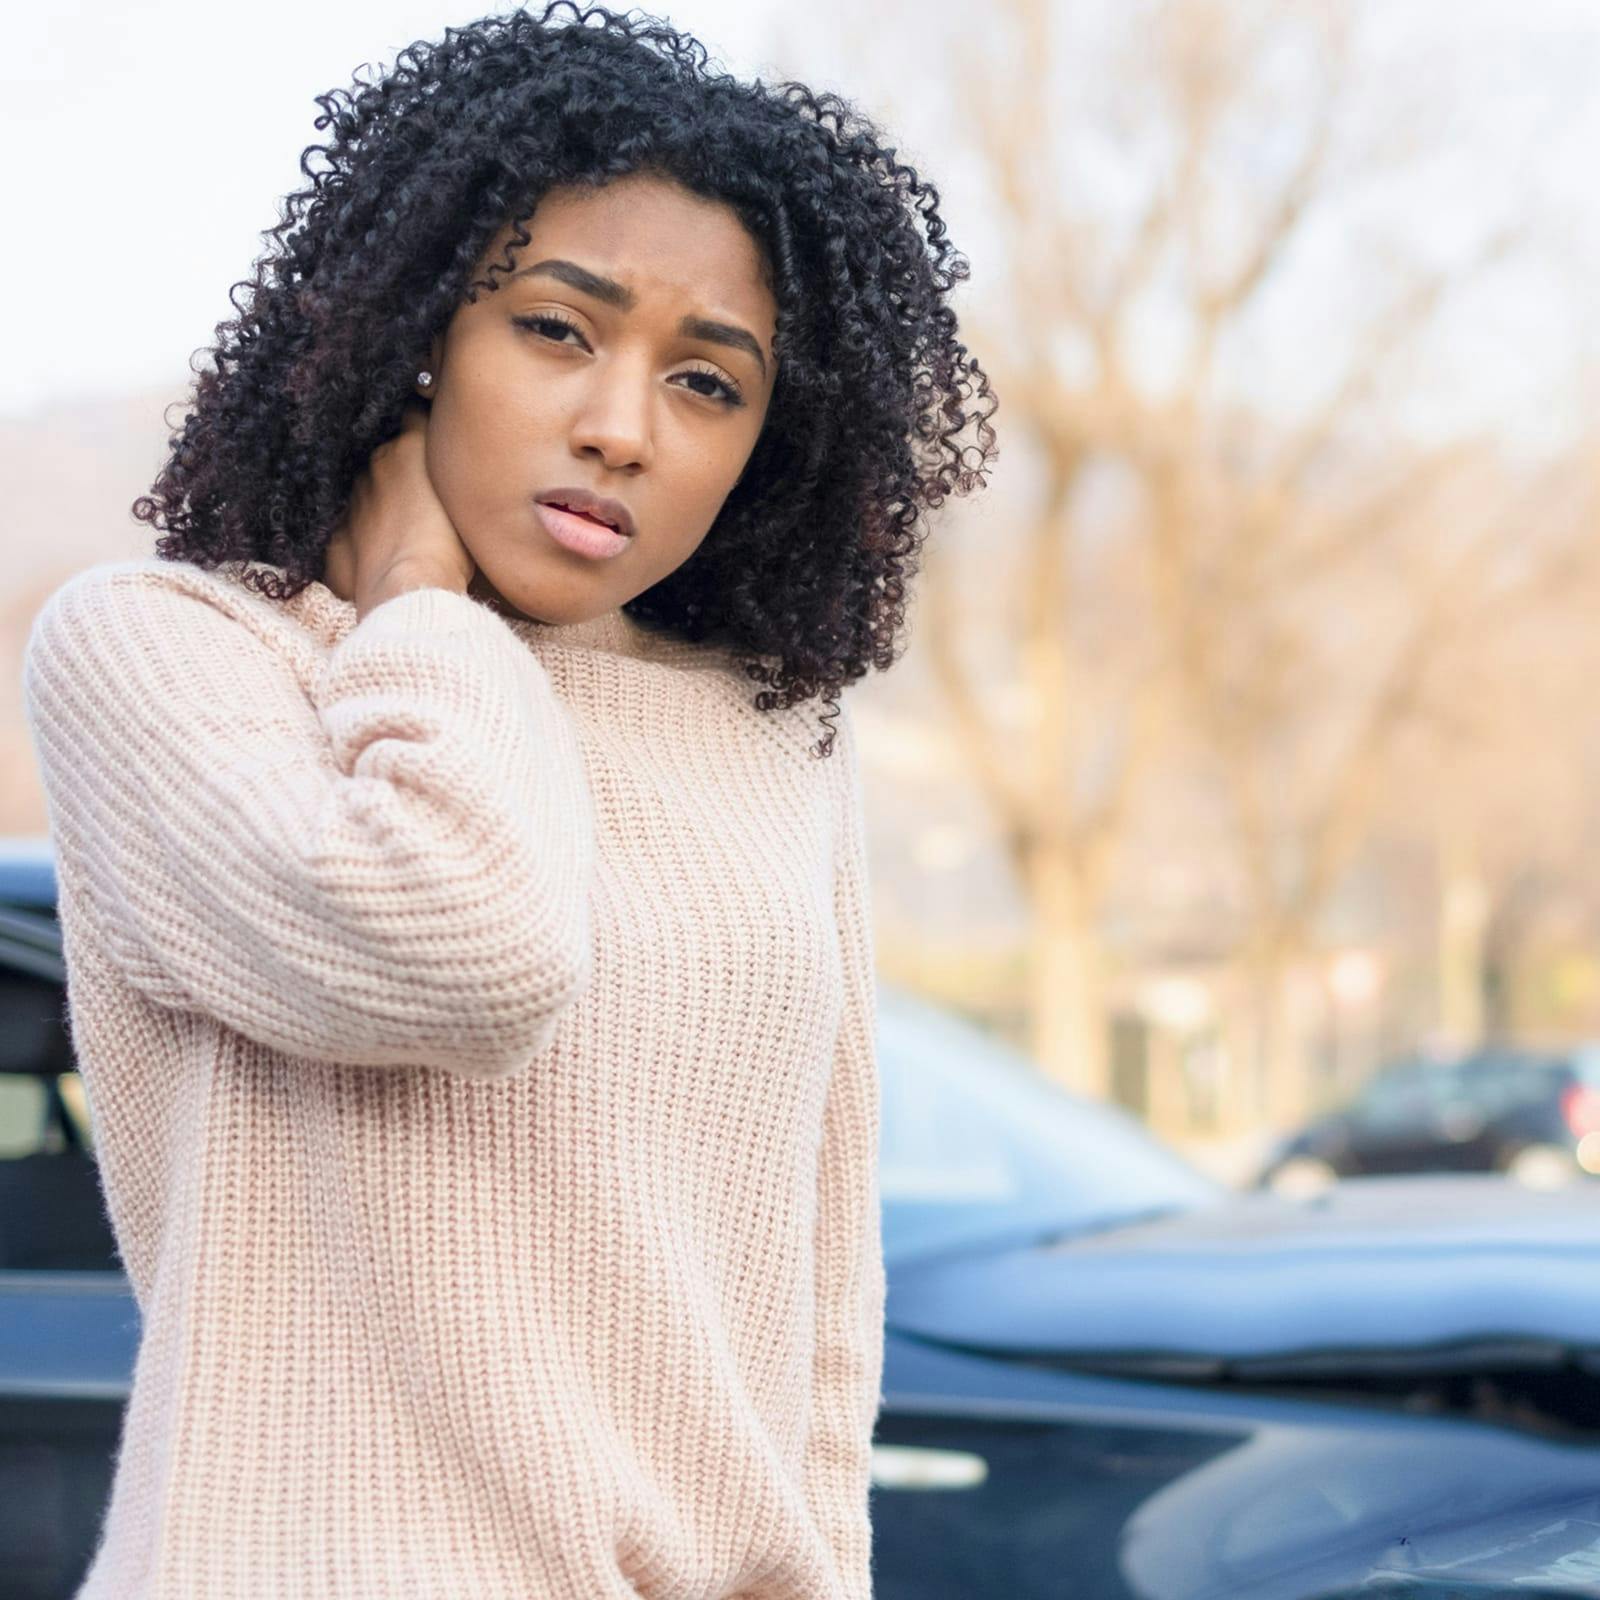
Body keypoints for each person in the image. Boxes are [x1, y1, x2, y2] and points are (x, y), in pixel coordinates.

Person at [21, 4, 997, 1596]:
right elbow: (460, 947)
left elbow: (822, 1287)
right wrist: (419, 599)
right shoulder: (173, 655)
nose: (621, 427)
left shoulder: (774, 731)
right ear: (415, 331)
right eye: (557, 329)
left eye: (707, 382)